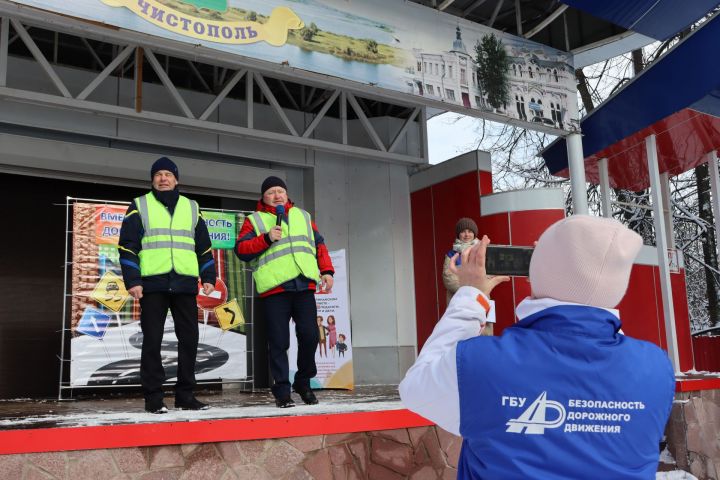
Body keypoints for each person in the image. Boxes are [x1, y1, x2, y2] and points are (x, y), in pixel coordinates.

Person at [399, 215, 676, 479]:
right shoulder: (656, 370)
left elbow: (416, 389)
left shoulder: (483, 364)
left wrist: (471, 295)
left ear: (538, 273)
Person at [118, 157, 216, 414]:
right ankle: (153, 398)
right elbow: (128, 246)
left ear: (176, 179)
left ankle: (185, 396)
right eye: (158, 174)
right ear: (152, 180)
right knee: (152, 340)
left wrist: (208, 278)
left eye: (168, 174)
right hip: (153, 284)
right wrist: (133, 281)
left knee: (190, 340)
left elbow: (203, 247)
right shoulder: (139, 205)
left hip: (184, 283)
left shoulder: (192, 207)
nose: (163, 178)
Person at [235, 176, 334, 408]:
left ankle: (303, 381)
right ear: (263, 197)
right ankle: (282, 391)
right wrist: (267, 238)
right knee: (279, 342)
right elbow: (241, 249)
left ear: (287, 194)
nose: (277, 195)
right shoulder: (255, 220)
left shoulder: (303, 216)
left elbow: (319, 245)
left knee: (310, 336)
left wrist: (327, 270)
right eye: (271, 192)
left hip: (304, 286)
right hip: (274, 290)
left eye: (281, 190)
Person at [443, 217, 494, 335]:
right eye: (463, 231)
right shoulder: (452, 255)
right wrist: (471, 290)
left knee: (483, 334)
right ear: (458, 234)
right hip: (459, 300)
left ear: (474, 234)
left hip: (482, 299)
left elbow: (490, 274)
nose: (467, 234)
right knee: (461, 335)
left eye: (470, 231)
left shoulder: (482, 252)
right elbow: (448, 279)